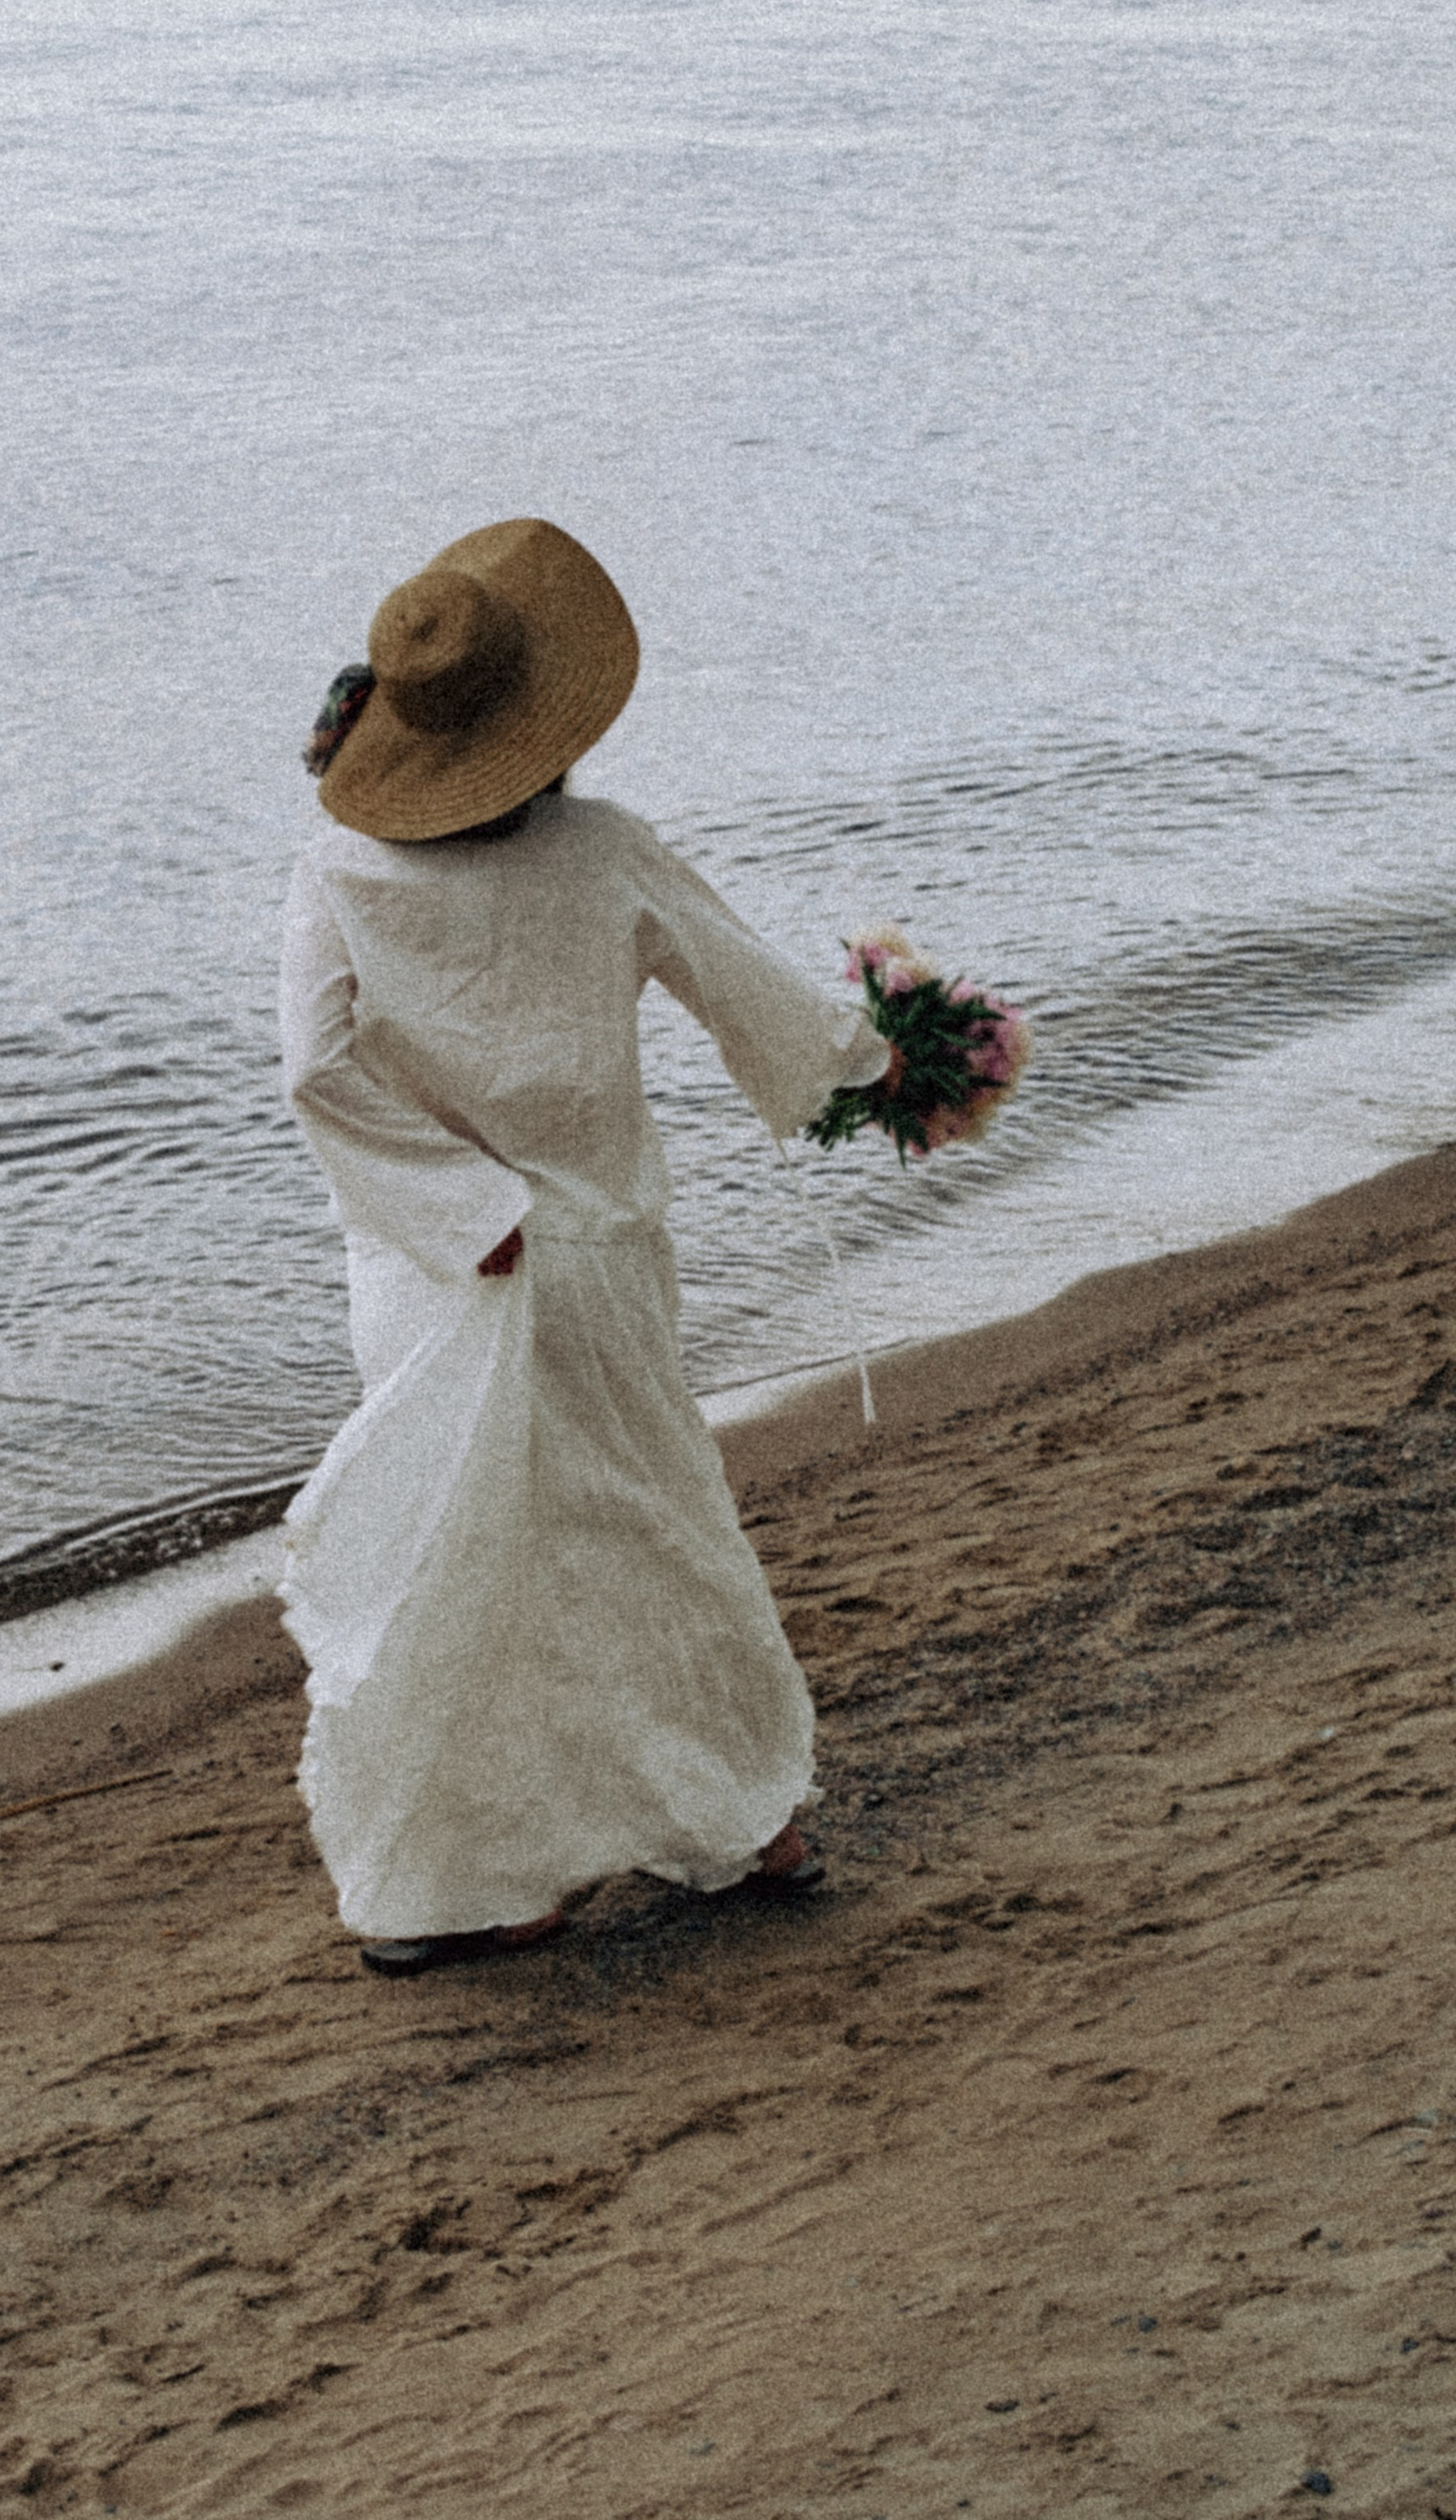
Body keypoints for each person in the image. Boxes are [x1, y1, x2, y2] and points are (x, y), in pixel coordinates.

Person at [277, 517, 896, 1975]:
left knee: (459, 1562)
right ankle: (747, 1823)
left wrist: (459, 1210)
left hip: (433, 1268)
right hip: (593, 1249)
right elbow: (754, 996)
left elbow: (316, 1071)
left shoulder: (337, 880)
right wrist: (880, 1062)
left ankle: (479, 1878)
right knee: (652, 1516)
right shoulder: (604, 851)